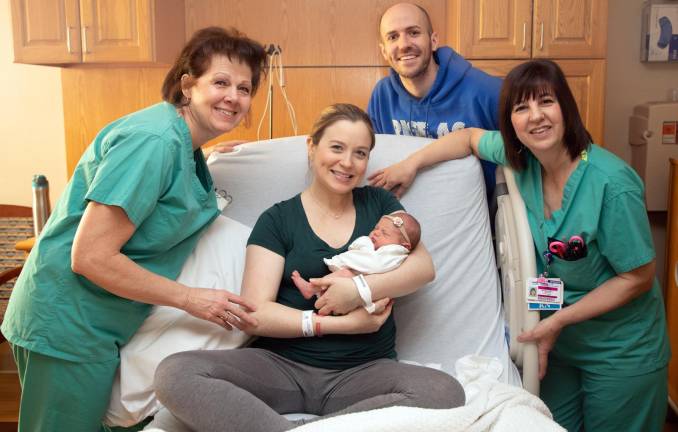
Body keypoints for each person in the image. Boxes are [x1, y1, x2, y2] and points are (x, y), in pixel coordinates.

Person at [369, 59, 670, 432]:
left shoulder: (611, 183)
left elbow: (637, 277)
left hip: (619, 350)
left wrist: (557, 321)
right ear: (510, 121)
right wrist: (409, 165)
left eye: (546, 102)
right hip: (556, 345)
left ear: (567, 108)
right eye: (521, 107)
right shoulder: (521, 160)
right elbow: (467, 138)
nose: (535, 117)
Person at [0, 27, 267, 432]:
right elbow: (90, 256)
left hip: (97, 327)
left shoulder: (179, 144)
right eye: (220, 82)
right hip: (67, 323)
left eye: (244, 88)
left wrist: (204, 153)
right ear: (187, 84)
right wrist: (191, 299)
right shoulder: (154, 142)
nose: (233, 96)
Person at [154, 104, 465, 432]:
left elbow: (423, 268)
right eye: (337, 147)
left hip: (364, 372)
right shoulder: (277, 220)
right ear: (312, 147)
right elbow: (255, 313)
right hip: (281, 368)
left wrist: (357, 290)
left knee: (445, 392)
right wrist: (339, 325)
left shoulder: (380, 206)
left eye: (360, 153)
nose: (347, 162)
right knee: (175, 373)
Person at [367, 2, 500, 200]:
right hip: (407, 212)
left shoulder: (486, 91)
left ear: (434, 40)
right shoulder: (382, 96)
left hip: (475, 214)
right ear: (384, 51)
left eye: (413, 32)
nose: (404, 45)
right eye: (393, 37)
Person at [291, 211, 421, 300]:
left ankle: (312, 288)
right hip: (359, 289)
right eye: (376, 228)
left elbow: (374, 265)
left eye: (384, 233)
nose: (375, 233)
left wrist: (365, 244)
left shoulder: (395, 253)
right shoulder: (383, 249)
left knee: (345, 274)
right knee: (344, 276)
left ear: (404, 246)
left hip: (365, 293)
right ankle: (319, 293)